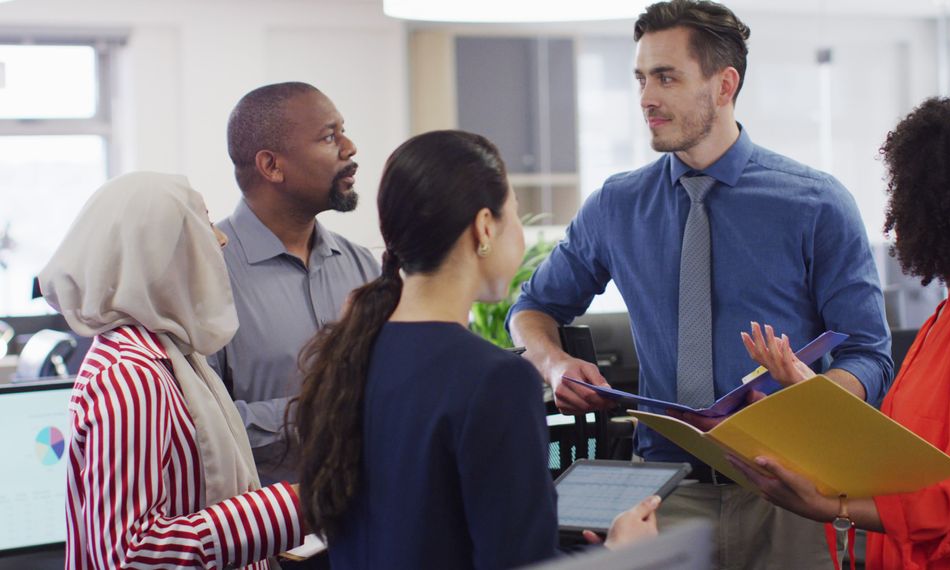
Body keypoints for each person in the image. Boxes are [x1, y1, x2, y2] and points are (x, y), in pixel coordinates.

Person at [507, 1, 892, 568]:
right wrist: (554, 364)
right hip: (665, 491)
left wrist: (809, 397)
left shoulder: (816, 203)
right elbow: (533, 307)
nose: (646, 99)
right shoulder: (618, 205)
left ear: (724, 85)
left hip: (788, 493)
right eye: (641, 78)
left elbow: (870, 355)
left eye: (666, 77)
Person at [733, 91, 950, 569]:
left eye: (910, 195)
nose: (898, 216)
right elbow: (899, 458)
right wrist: (806, 390)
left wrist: (828, 508)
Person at [290, 130, 660, 569]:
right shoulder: (495, 380)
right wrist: (617, 553)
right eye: (516, 216)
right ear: (485, 227)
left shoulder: (346, 357)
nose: (520, 235)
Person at [38, 172, 306, 569]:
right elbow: (132, 554)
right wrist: (300, 507)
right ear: (155, 254)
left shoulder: (171, 355)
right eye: (204, 222)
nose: (220, 239)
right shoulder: (129, 375)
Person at [208, 82, 379, 485]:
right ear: (271, 166)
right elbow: (199, 426)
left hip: (369, 520)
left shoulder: (361, 264)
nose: (349, 147)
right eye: (329, 136)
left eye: (344, 130)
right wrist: (323, 412)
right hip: (268, 537)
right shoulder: (204, 275)